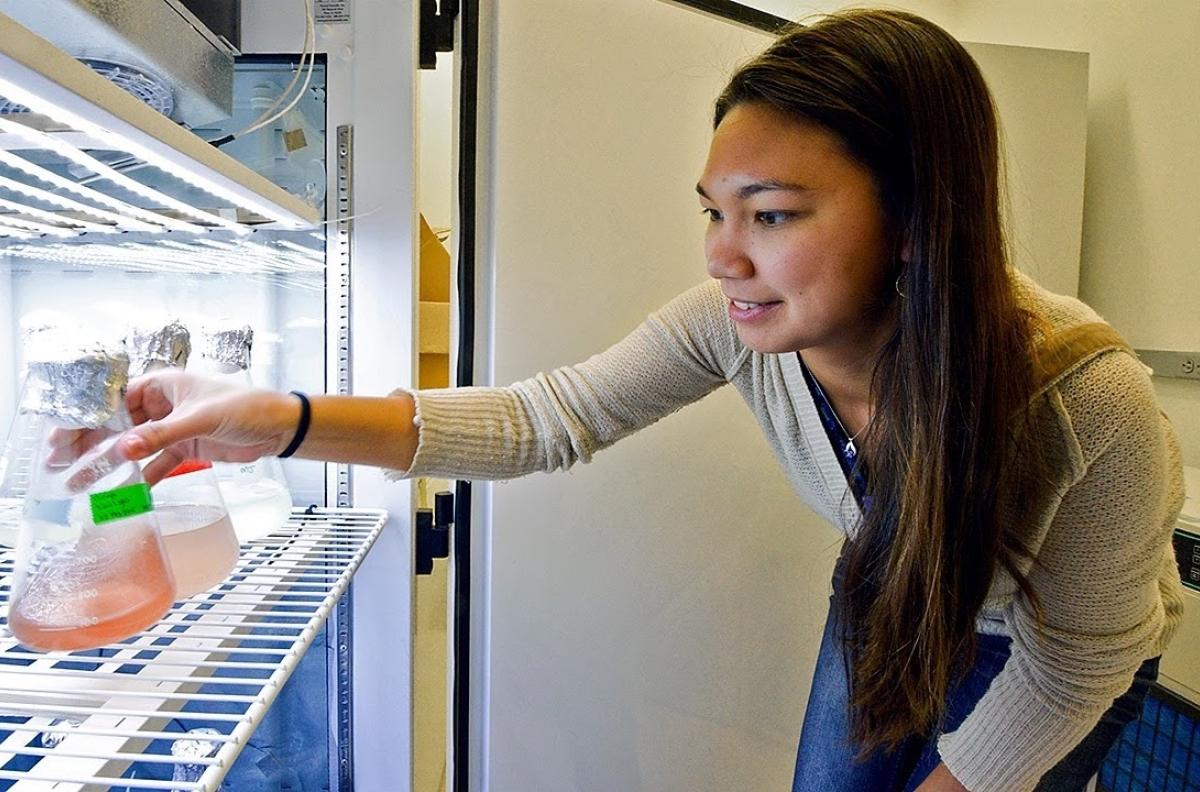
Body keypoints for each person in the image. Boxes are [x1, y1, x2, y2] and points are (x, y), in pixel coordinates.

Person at [112, 9, 1183, 792]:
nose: (722, 256)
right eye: (715, 210)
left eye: (770, 215)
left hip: (1054, 648)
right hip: (892, 593)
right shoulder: (741, 328)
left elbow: (1072, 666)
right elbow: (545, 419)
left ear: (915, 215)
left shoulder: (1088, 405)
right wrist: (277, 417)